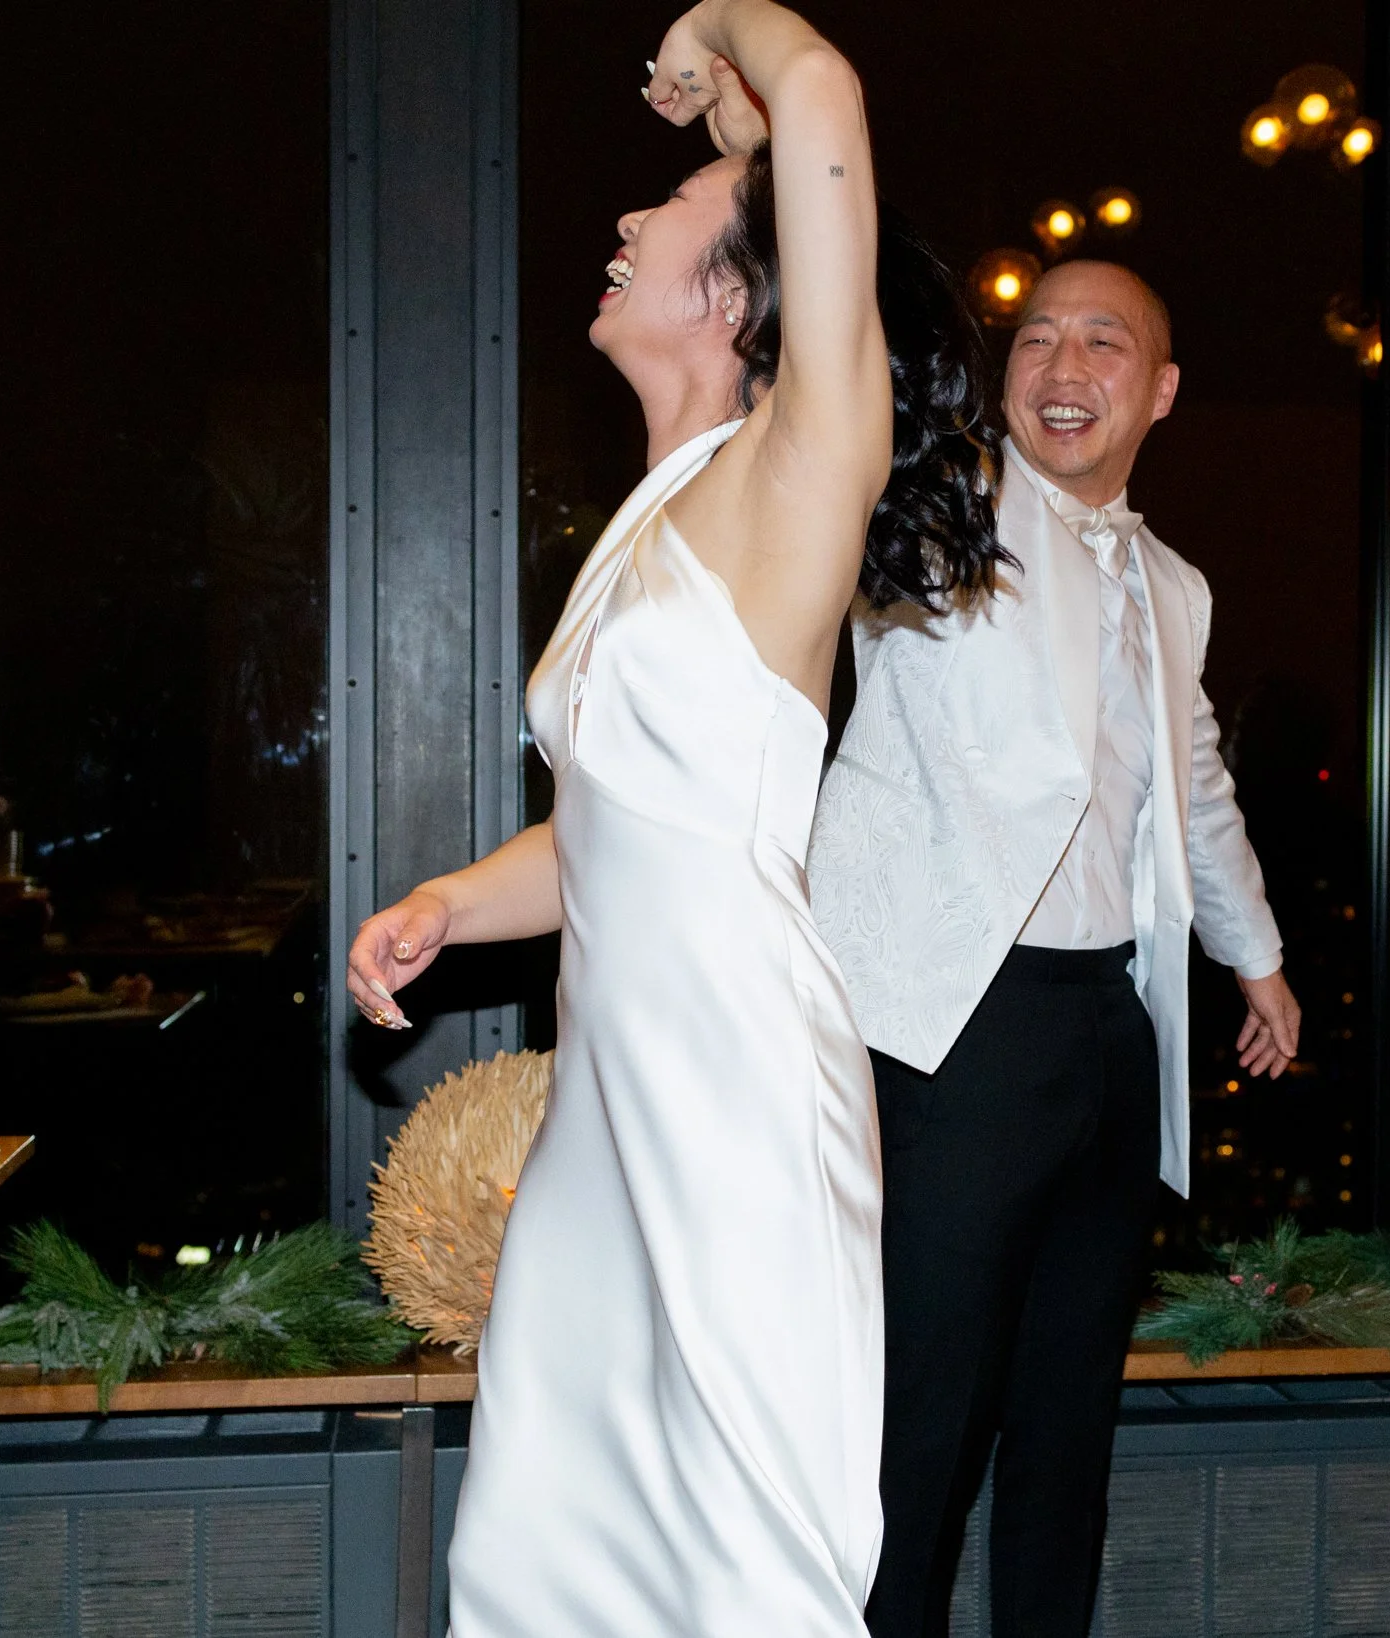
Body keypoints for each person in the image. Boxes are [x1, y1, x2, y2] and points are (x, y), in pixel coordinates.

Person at [346, 4, 1004, 1631]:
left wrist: (716, 31)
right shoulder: (648, 523)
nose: (628, 220)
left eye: (670, 212)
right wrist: (449, 900)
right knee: (543, 1535)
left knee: (746, 1563)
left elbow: (822, 89)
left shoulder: (800, 471)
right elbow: (615, 826)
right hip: (609, 1106)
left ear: (739, 297)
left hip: (737, 1081)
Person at [809, 259, 1303, 1638]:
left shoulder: (1172, 585)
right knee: (920, 1429)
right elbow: (843, 423)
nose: (1064, 367)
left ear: (1163, 390)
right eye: (1036, 339)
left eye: (1103, 342)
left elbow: (1193, 782)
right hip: (951, 1026)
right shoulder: (940, 509)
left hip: (1108, 1026)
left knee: (1067, 1426)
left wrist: (1256, 957)